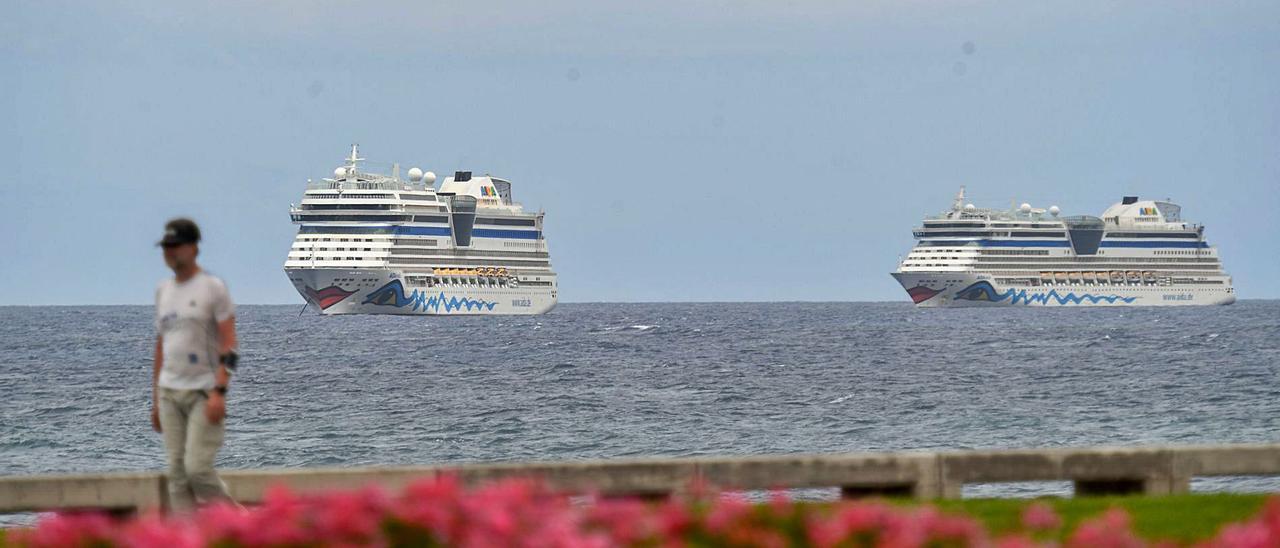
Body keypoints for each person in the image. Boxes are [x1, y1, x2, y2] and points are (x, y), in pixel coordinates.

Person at [152, 218, 240, 511]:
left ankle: (243, 525)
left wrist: (220, 391)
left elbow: (230, 344)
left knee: (197, 470)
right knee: (176, 477)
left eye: (175, 246)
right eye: (166, 247)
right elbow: (161, 345)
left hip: (203, 391)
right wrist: (155, 400)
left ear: (193, 248)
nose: (169, 252)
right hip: (169, 392)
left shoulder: (213, 288)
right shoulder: (163, 290)